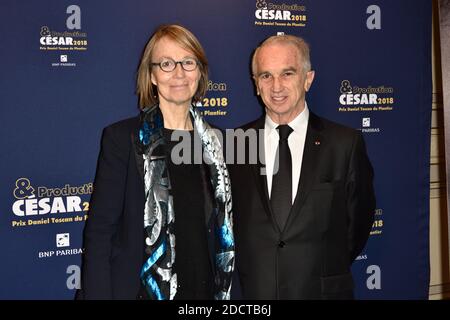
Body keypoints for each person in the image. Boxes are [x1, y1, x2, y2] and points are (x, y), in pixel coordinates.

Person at [78, 24, 234, 300]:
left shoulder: (218, 142)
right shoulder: (123, 139)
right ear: (151, 75)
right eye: (166, 63)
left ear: (200, 72)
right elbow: (100, 234)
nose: (179, 73)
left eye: (188, 62)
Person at [229, 34, 376, 299]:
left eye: (287, 73)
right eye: (266, 76)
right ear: (255, 84)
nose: (276, 86)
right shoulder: (236, 145)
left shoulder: (344, 144)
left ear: (307, 79)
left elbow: (357, 225)